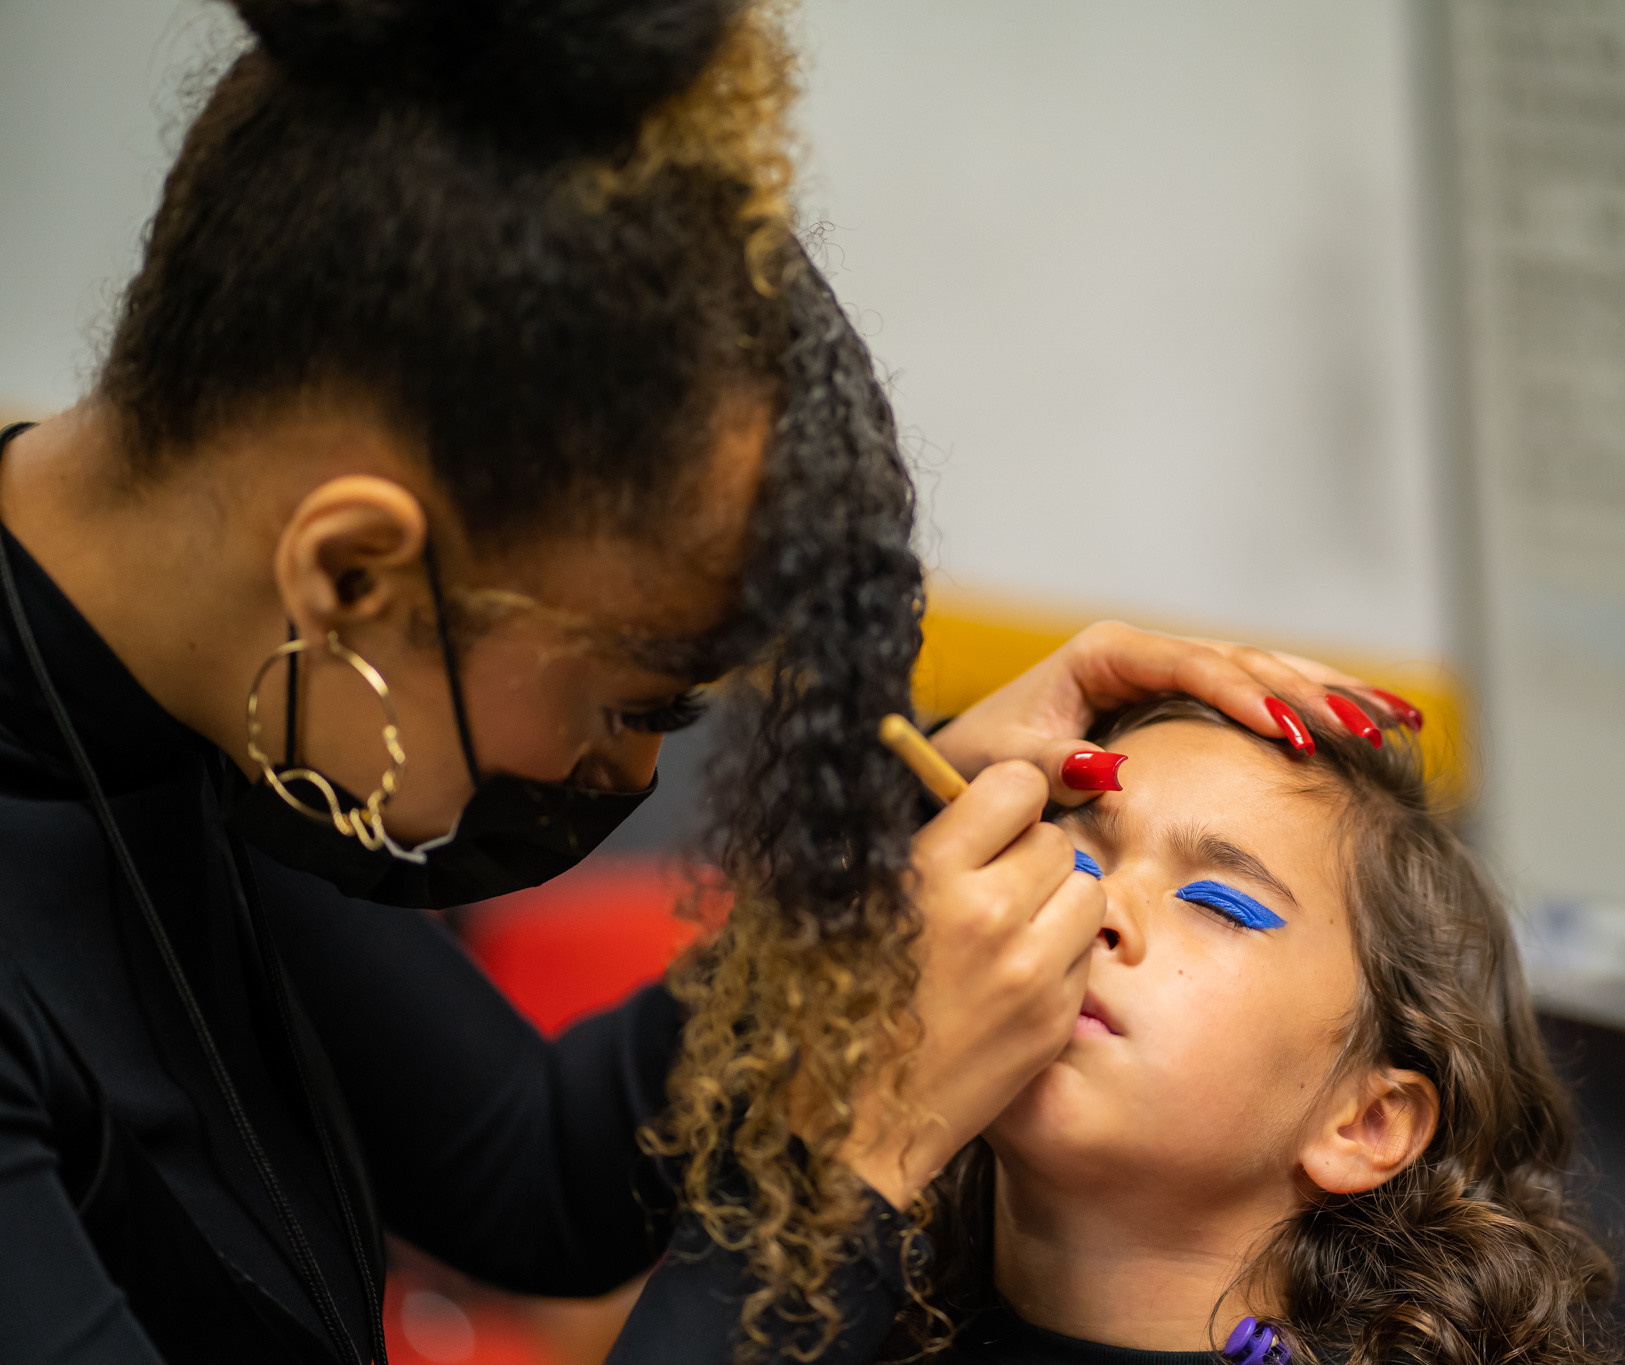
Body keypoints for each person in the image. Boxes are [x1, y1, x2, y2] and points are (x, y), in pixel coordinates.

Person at [0, 2, 1411, 1361]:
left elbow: (524, 1170)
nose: (624, 780)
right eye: (636, 703)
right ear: (353, 574)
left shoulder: (206, 686)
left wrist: (905, 854)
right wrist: (860, 1146)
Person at [856, 696, 1622, 1365]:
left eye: (1220, 904)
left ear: (1366, 1120)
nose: (1098, 906)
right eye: (1073, 856)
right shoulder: (807, 1309)